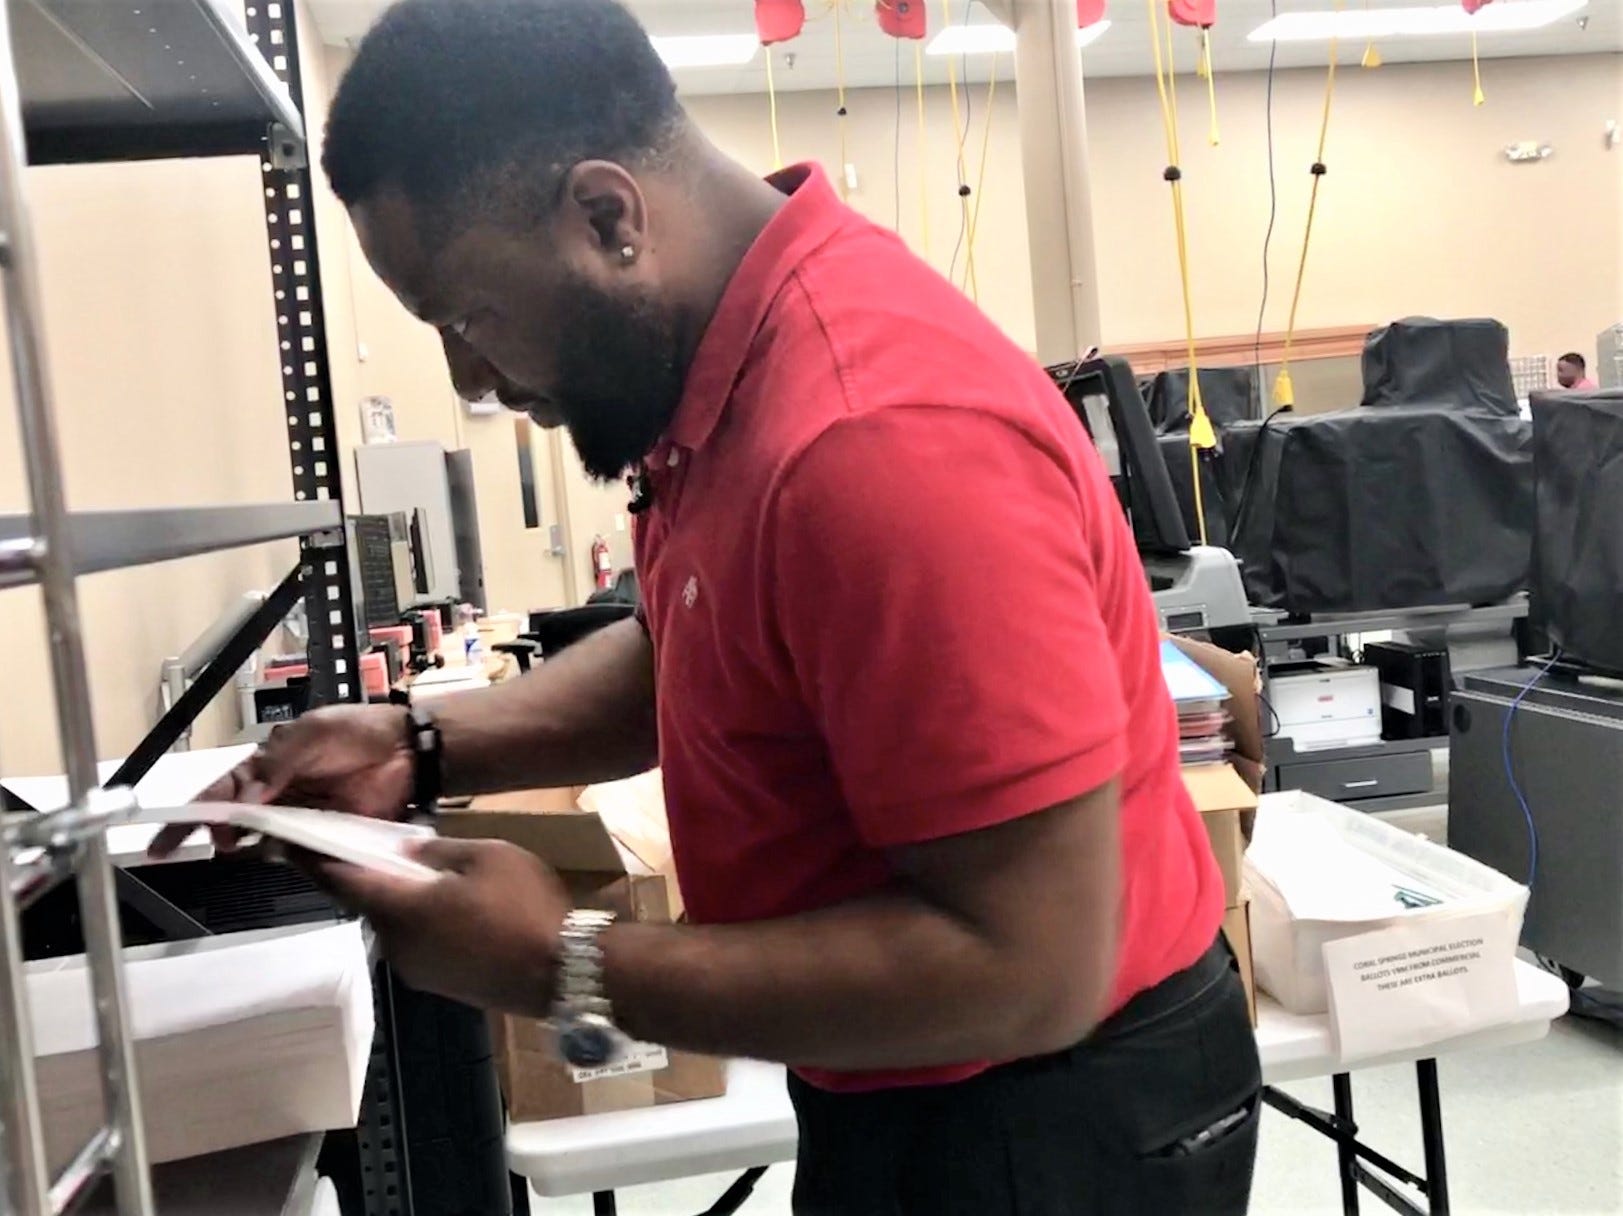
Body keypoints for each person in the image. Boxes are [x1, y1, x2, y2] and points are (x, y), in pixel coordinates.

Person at [158, 1, 1261, 1210]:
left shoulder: (874, 438)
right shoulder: (731, 368)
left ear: (607, 216)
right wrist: (422, 741)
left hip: (1051, 1114)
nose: (474, 377)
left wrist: (561, 964)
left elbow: (1029, 965)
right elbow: (697, 636)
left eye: (468, 316)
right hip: (922, 1075)